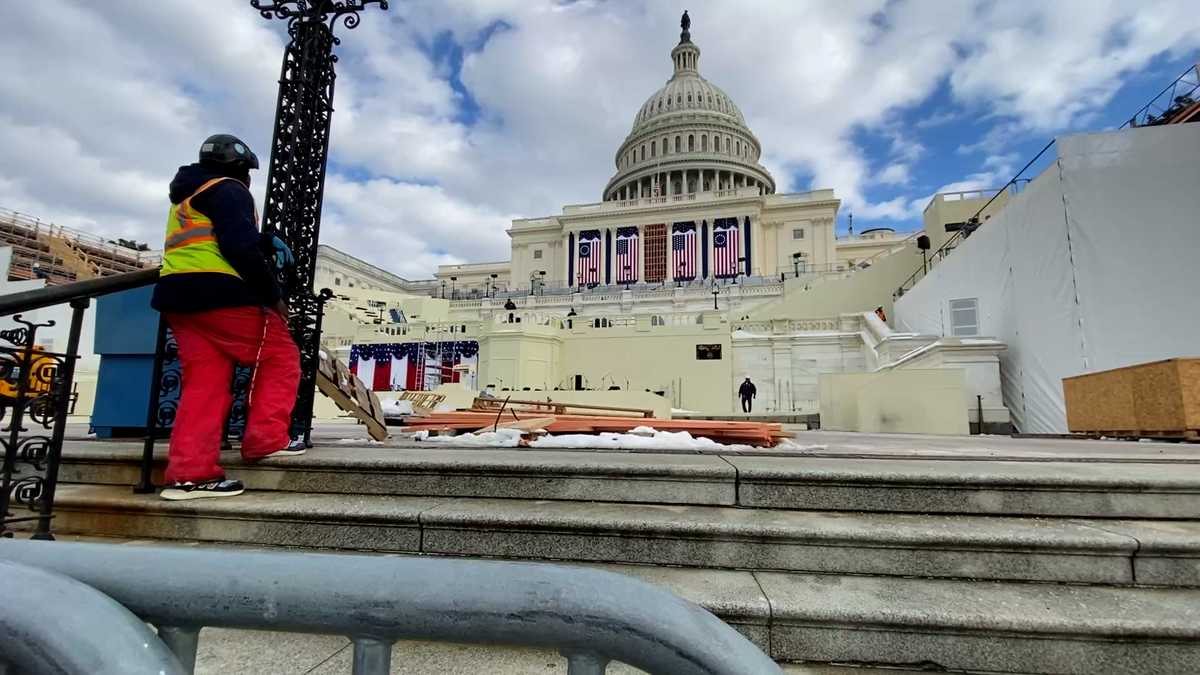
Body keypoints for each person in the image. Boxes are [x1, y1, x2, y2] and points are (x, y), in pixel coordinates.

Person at [151, 134, 304, 500]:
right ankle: (266, 439)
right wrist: (274, 295)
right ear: (240, 167)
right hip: (223, 295)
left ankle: (190, 475)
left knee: (204, 385)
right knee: (281, 356)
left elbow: (213, 236)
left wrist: (263, 240)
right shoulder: (231, 189)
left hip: (179, 299)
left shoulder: (187, 195)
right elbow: (237, 248)